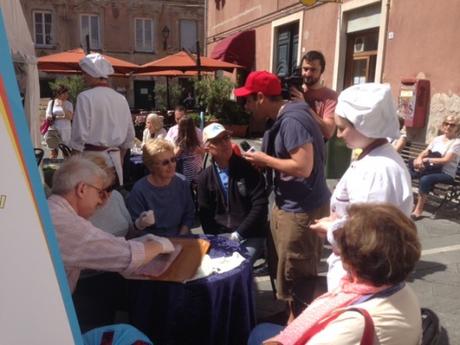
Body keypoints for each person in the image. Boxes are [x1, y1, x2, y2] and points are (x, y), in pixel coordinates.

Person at [248, 203, 422, 345]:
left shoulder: (355, 322)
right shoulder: (398, 287)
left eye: (341, 246)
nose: (336, 252)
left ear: (354, 260)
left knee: (259, 333)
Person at [235, 70, 331, 321]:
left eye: (247, 100)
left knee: (297, 273)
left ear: (260, 97)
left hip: (300, 209)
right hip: (289, 204)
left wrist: (265, 159)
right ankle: (290, 314)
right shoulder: (289, 116)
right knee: (285, 268)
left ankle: (298, 324)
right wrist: (267, 162)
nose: (246, 106)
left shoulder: (291, 121)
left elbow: (303, 166)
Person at [48, 156, 174, 330]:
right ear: (82, 189)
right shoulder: (64, 222)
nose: (101, 200)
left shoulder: (56, 211)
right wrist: (161, 244)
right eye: (99, 191)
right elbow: (129, 255)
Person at [310, 83, 413, 291]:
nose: (338, 135)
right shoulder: (374, 157)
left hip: (361, 279)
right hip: (356, 271)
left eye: (342, 128)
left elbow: (371, 234)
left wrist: (330, 228)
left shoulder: (377, 170)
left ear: (364, 126)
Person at [197, 123, 269, 263]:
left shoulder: (249, 168)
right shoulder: (204, 178)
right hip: (220, 237)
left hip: (250, 235)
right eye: (217, 140)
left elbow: (260, 206)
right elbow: (205, 216)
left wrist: (238, 234)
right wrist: (218, 239)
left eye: (226, 137)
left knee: (238, 265)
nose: (224, 143)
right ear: (207, 147)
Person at [70, 53, 135, 186]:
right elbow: (130, 136)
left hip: (91, 162)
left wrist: (74, 164)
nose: (83, 77)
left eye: (85, 73)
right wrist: (121, 157)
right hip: (115, 162)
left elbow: (79, 136)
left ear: (92, 73)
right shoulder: (121, 98)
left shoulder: (85, 97)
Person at [126, 138, 195, 236]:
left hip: (180, 237)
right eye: (165, 163)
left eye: (173, 160)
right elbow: (135, 228)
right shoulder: (140, 190)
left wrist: (181, 237)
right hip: (152, 242)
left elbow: (189, 215)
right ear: (151, 167)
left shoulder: (182, 183)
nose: (171, 165)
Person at [409, 115, 460, 219]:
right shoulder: (437, 139)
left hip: (445, 174)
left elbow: (446, 160)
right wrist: (419, 158)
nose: (448, 126)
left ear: (457, 128)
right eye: (446, 123)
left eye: (452, 125)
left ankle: (418, 209)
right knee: (408, 173)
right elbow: (425, 151)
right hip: (431, 169)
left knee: (425, 179)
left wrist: (428, 160)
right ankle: (407, 202)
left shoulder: (457, 143)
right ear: (443, 125)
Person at [291, 50, 338, 140]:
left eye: (313, 70)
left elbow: (328, 132)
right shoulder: (295, 91)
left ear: (321, 71)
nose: (308, 74)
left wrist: (305, 106)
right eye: (305, 69)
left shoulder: (331, 96)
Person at [45, 85, 73, 158]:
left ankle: (67, 168)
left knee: (66, 152)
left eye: (67, 93)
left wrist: (62, 106)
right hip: (53, 130)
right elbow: (48, 116)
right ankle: (52, 168)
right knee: (53, 153)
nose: (66, 95)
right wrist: (61, 117)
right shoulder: (51, 103)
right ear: (58, 94)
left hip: (65, 130)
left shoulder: (69, 104)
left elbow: (69, 117)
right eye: (64, 93)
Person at [174, 117, 204, 184]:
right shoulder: (196, 140)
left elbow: (175, 155)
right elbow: (202, 153)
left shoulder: (183, 143)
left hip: (185, 174)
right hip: (197, 171)